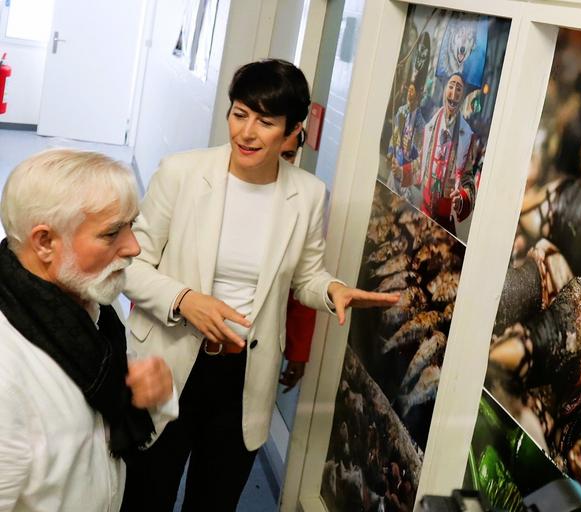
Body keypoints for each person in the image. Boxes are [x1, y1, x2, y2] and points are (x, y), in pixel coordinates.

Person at [121, 59, 399, 511]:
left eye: (266, 122)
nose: (246, 133)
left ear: (292, 131)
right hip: (169, 363)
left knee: (214, 500)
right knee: (144, 495)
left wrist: (331, 291)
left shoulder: (306, 195)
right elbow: (130, 266)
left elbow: (306, 276)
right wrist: (185, 300)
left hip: (243, 378)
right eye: (239, 114)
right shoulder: (182, 174)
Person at [0, 149, 175, 511]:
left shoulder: (93, 304)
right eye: (112, 233)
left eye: (131, 226)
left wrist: (148, 397)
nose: (133, 247)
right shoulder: (7, 366)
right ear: (45, 242)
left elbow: (98, 426)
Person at [403, 73, 478, 233]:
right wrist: (401, 172)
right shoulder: (430, 125)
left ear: (463, 96)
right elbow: (421, 162)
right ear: (444, 90)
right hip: (423, 208)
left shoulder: (467, 135)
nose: (454, 93)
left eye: (459, 89)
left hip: (444, 216)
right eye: (450, 87)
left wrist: (462, 199)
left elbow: (468, 178)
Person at [279, 127, 315, 390]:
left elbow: (303, 282)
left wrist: (298, 352)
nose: (278, 164)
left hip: (252, 349)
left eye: (288, 156)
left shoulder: (301, 205)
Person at [386, 82, 425, 199]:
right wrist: (390, 151)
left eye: (412, 90)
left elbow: (420, 148)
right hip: (396, 160)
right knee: (388, 196)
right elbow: (395, 133)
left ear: (418, 95)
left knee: (401, 203)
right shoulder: (401, 111)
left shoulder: (421, 123)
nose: (409, 92)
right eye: (409, 89)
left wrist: (411, 147)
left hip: (406, 168)